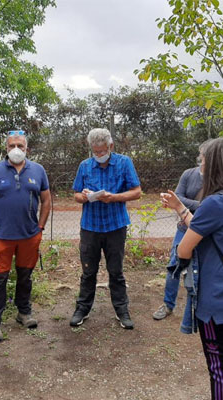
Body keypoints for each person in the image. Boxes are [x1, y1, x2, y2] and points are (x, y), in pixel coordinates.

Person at [160, 137, 223, 400]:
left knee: (219, 369)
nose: (200, 164)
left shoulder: (215, 202)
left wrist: (185, 229)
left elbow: (184, 248)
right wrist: (181, 207)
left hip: (215, 301)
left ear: (215, 164)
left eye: (203, 159)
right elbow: (209, 228)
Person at [0, 132, 51, 343]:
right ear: (6, 149)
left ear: (27, 149)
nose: (16, 149)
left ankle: (24, 313)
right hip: (2, 236)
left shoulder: (38, 170)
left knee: (25, 276)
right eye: (12, 145)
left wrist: (40, 227)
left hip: (29, 236)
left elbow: (47, 200)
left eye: (20, 146)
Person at [69, 128, 142, 329]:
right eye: (95, 152)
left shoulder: (124, 162)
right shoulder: (84, 166)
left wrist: (113, 197)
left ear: (111, 146)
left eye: (102, 151)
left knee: (116, 271)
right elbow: (76, 194)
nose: (99, 155)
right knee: (88, 271)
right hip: (90, 227)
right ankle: (82, 308)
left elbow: (136, 192)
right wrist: (84, 197)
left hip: (115, 226)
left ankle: (122, 310)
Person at [152, 145, 204, 333]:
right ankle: (168, 305)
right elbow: (177, 197)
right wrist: (201, 205)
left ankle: (200, 309)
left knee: (203, 271)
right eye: (201, 155)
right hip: (184, 228)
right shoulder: (189, 174)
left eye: (204, 156)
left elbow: (180, 201)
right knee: (174, 266)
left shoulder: (220, 179)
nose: (201, 158)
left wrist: (182, 205)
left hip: (207, 232)